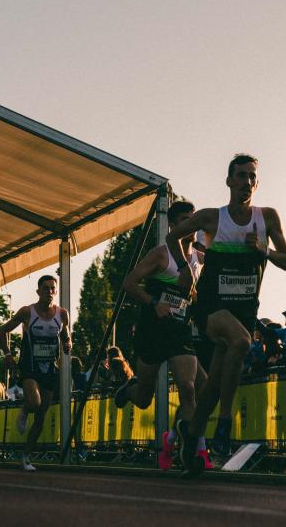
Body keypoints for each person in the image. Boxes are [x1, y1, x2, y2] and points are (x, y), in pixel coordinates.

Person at [168, 153, 286, 475]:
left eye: (252, 176)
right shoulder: (212, 218)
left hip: (244, 306)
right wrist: (185, 270)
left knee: (210, 387)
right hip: (211, 304)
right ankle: (225, 423)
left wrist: (261, 249)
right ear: (228, 181)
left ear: (257, 182)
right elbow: (173, 237)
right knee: (240, 342)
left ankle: (190, 436)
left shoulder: (268, 218)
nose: (246, 182)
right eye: (241, 176)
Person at [116, 200, 203, 469]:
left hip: (178, 331)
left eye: (194, 220)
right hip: (152, 330)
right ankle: (129, 389)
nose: (192, 226)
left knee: (189, 389)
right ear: (174, 226)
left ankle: (191, 453)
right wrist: (154, 303)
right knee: (144, 399)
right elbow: (128, 284)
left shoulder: (199, 258)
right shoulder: (161, 255)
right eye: (185, 221)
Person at [0, 274, 71, 471]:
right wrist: (7, 353)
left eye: (52, 288)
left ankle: (26, 456)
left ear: (56, 291)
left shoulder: (62, 314)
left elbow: (65, 335)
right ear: (38, 291)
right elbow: (3, 330)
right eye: (46, 288)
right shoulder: (27, 312)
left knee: (40, 417)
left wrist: (67, 343)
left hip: (49, 368)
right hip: (29, 366)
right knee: (34, 402)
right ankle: (24, 409)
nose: (49, 292)